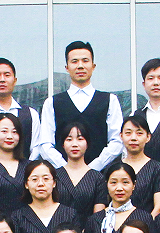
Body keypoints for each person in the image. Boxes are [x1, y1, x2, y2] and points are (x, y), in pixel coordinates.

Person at [42, 41, 122, 170]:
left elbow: (117, 140)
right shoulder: (52, 102)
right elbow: (45, 144)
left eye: (85, 61)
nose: (80, 66)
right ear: (67, 67)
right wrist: (66, 169)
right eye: (74, 61)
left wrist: (93, 168)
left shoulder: (110, 100)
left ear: (93, 66)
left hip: (101, 175)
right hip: (62, 176)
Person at [10, 160, 77, 233]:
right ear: (26, 184)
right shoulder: (18, 216)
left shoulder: (70, 214)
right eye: (34, 179)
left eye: (46, 179)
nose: (40, 184)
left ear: (54, 183)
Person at [85, 163, 151, 233]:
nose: (119, 188)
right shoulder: (94, 219)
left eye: (125, 182)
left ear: (134, 185)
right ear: (106, 184)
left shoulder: (144, 217)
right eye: (113, 182)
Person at [111, 115, 160, 214]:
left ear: (148, 137)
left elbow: (159, 207)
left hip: (147, 222)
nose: (133, 138)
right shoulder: (113, 168)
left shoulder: (156, 168)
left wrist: (146, 222)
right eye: (128, 133)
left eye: (139, 133)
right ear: (121, 136)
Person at [53, 122, 109, 218]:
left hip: (88, 227)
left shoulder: (97, 178)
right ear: (63, 144)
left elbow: (98, 217)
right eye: (69, 139)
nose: (74, 144)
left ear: (87, 143)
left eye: (80, 139)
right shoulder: (54, 176)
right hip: (58, 226)